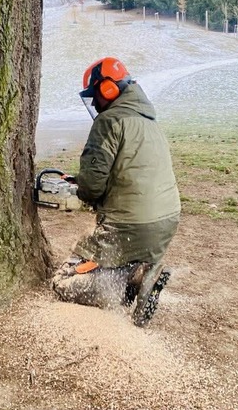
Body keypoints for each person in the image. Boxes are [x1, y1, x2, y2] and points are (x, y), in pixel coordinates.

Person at [51, 57, 181, 327]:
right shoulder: (149, 121)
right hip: (166, 221)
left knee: (62, 281)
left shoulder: (109, 121)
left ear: (107, 89)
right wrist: (81, 180)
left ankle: (134, 277)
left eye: (95, 95)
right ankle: (138, 273)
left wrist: (82, 190)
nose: (95, 103)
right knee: (120, 257)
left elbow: (93, 186)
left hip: (129, 224)